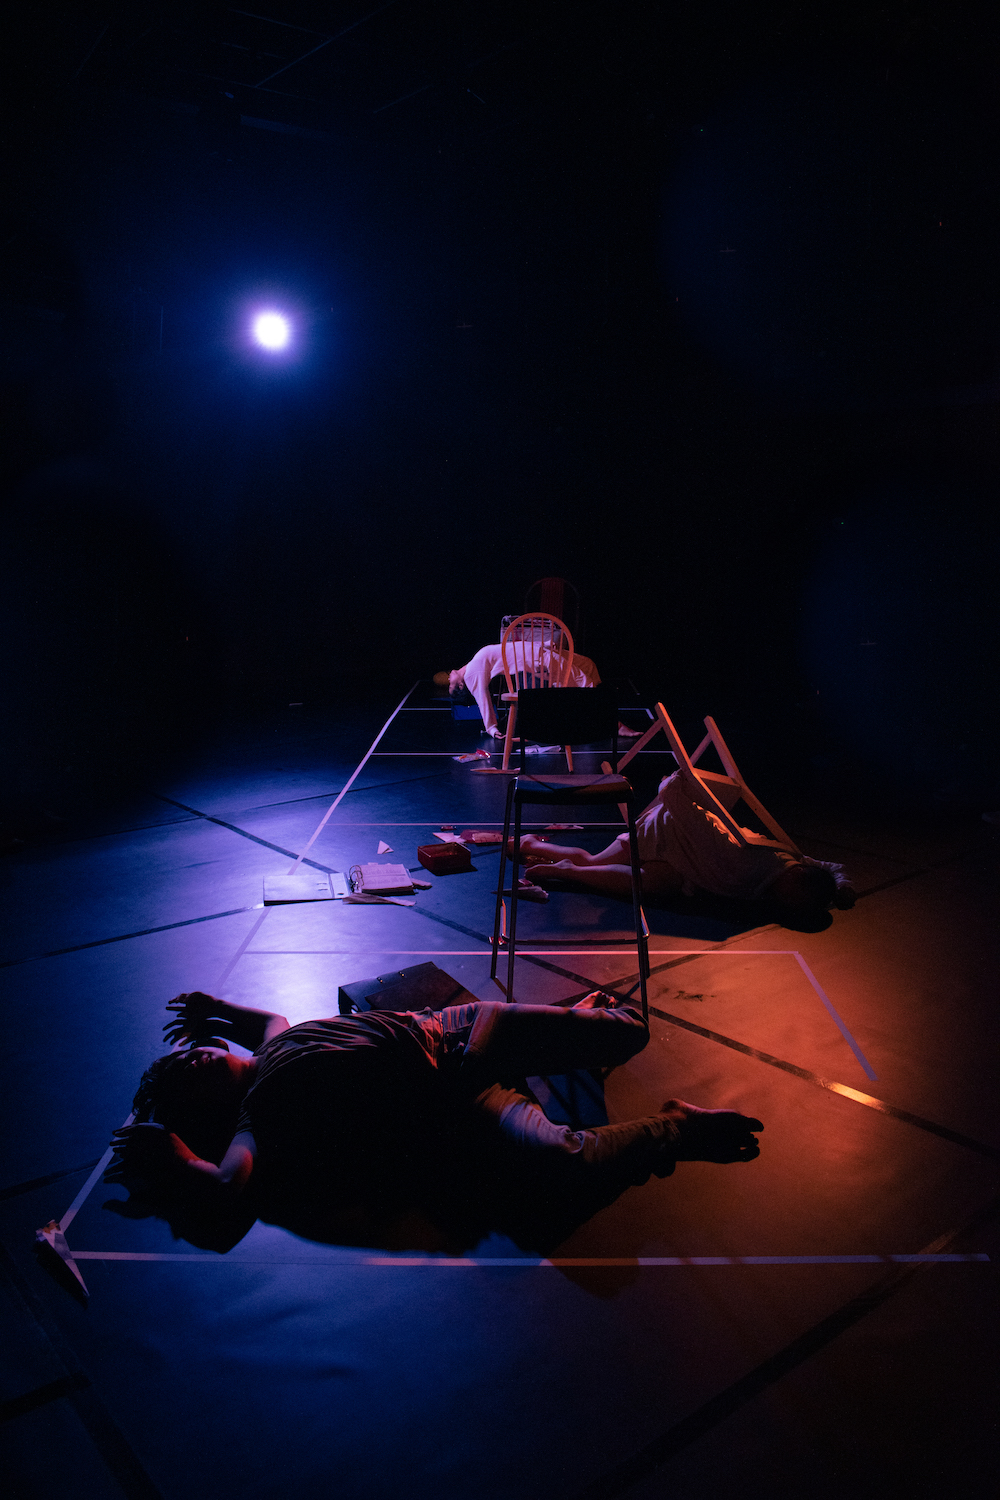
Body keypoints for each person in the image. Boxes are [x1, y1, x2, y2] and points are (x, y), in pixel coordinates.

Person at [109, 991, 763, 1223]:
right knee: (568, 1163)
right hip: (455, 1094)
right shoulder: (258, 1117)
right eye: (185, 1077)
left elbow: (268, 1017)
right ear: (207, 1111)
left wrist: (218, 1006)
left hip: (461, 1029)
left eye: (189, 1053)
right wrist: (174, 1155)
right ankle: (676, 1126)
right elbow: (227, 1184)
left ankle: (578, 1034)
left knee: (632, 1029)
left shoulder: (275, 1042)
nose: (193, 1058)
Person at [509, 766, 856, 917]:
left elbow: (826, 867)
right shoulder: (747, 860)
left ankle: (566, 871)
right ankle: (532, 846)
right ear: (796, 882)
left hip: (684, 861)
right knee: (592, 861)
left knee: (656, 886)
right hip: (664, 832)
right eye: (795, 901)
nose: (788, 905)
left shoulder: (790, 864)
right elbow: (699, 821)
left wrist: (839, 886)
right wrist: (672, 789)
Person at [434, 639, 602, 737]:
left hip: (538, 652)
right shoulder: (471, 675)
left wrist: (543, 643)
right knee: (583, 681)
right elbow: (482, 698)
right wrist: (491, 728)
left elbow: (513, 646)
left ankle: (595, 716)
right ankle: (607, 721)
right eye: (450, 685)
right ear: (461, 685)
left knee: (587, 664)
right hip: (538, 660)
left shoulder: (473, 662)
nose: (448, 678)